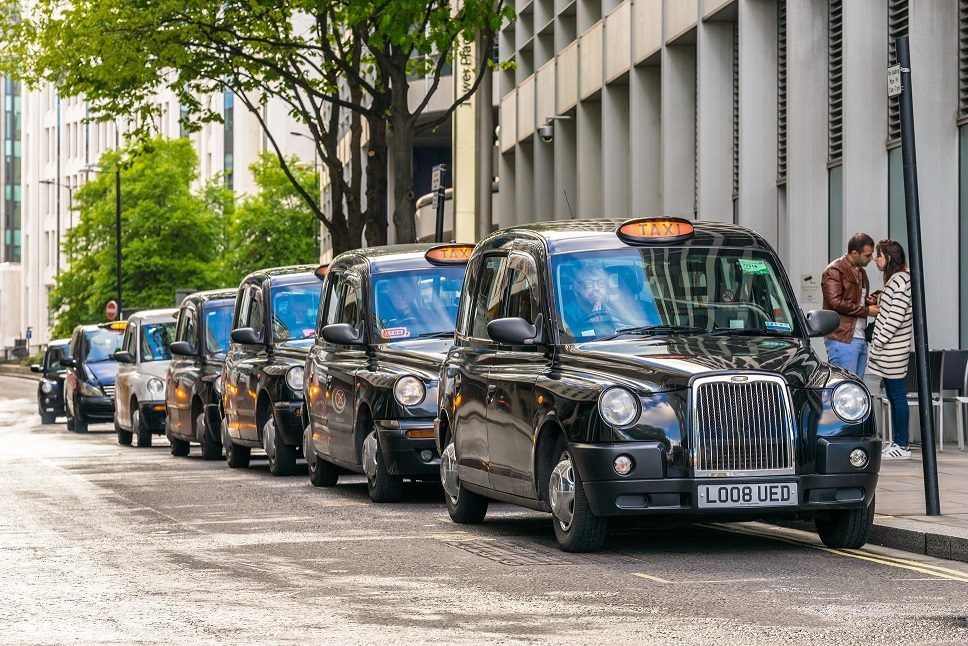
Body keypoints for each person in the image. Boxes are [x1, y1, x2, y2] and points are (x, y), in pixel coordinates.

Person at [867, 239, 914, 460]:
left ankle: (902, 445)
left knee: (897, 396)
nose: (876, 259)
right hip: (891, 350)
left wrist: (878, 340)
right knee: (895, 396)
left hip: (892, 352)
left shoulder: (900, 281)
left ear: (889, 258)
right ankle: (898, 442)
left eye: (879, 255)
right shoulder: (899, 280)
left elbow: (895, 318)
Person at [821, 232, 879, 377]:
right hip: (842, 338)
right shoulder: (835, 270)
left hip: (859, 337)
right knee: (842, 388)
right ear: (854, 253)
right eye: (867, 255)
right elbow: (834, 303)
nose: (871, 258)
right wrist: (866, 311)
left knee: (856, 391)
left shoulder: (862, 273)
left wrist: (868, 301)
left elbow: (854, 300)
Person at [561, 265, 620, 339]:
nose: (596, 288)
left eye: (600, 283)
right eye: (589, 283)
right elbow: (570, 341)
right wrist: (592, 326)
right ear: (577, 289)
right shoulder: (566, 314)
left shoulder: (614, 309)